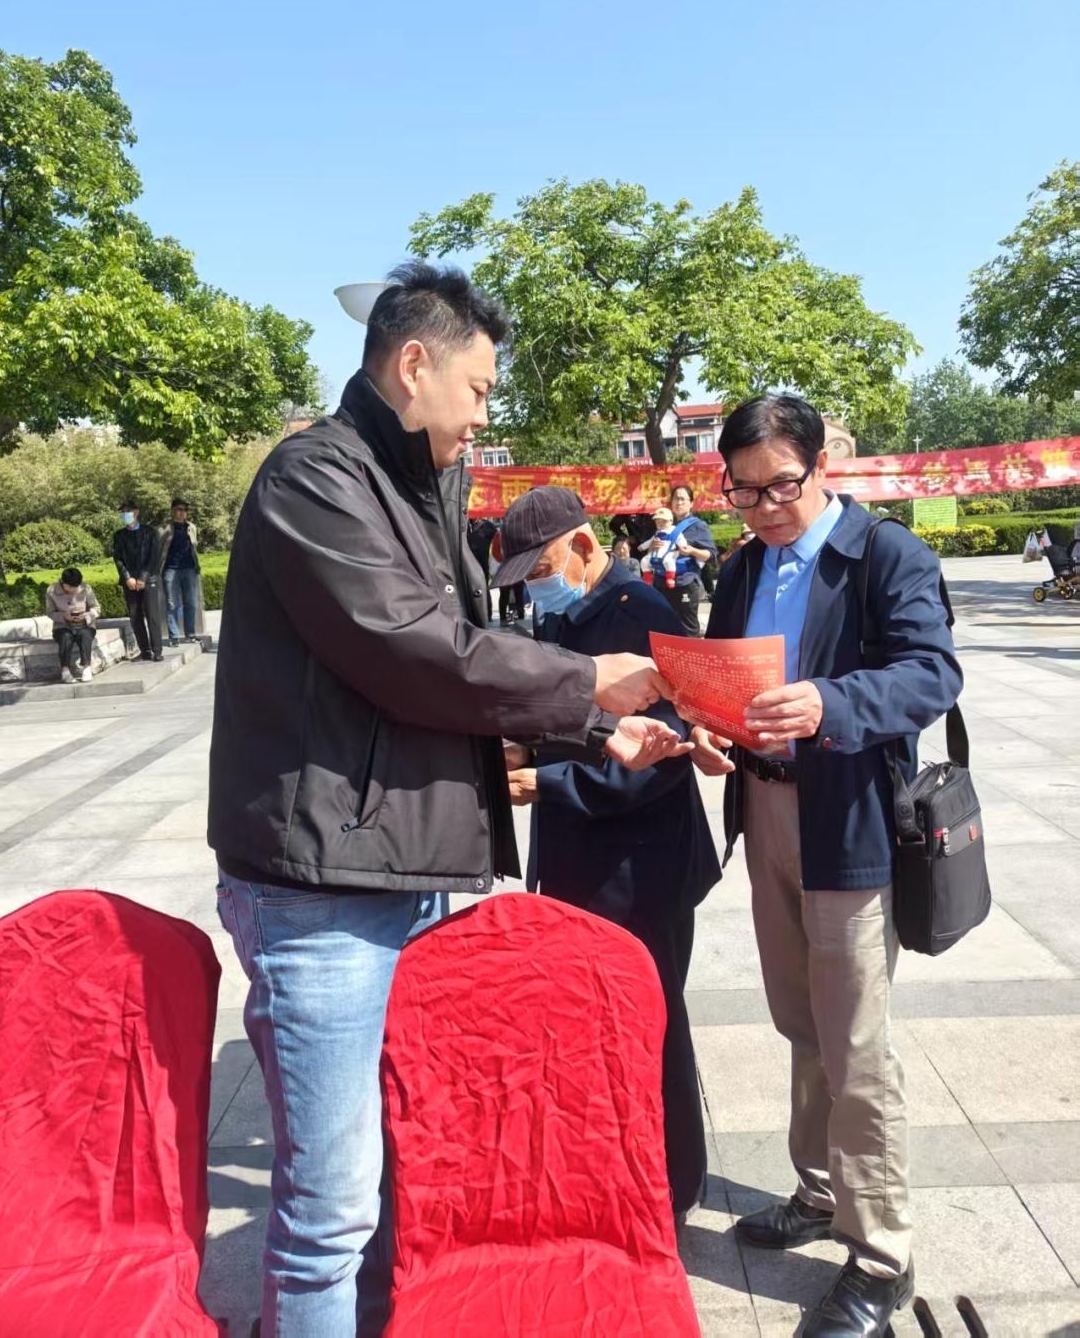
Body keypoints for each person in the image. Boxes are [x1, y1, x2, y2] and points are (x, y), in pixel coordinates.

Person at [207, 261, 681, 1338]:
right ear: (413, 364)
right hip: (322, 890)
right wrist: (585, 681)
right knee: (329, 1208)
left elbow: (463, 659)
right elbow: (413, 650)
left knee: (401, 1172)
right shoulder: (315, 478)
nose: (483, 415)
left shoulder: (416, 489)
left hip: (399, 865)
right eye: (477, 388)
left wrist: (600, 726)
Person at [687, 394, 962, 1338]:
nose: (763, 507)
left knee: (855, 1042)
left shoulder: (884, 554)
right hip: (765, 806)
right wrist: (709, 729)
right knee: (800, 1018)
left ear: (819, 466)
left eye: (779, 486)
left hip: (848, 818)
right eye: (742, 490)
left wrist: (829, 703)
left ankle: (881, 1255)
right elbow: (722, 675)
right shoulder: (741, 565)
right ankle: (816, 1191)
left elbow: (931, 673)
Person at [492, 485, 729, 1218]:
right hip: (581, 857)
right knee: (592, 1029)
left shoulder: (639, 614)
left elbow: (660, 756)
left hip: (638, 866)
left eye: (542, 570)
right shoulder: (566, 613)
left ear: (585, 547)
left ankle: (670, 1187)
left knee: (651, 1025)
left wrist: (544, 781)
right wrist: (524, 747)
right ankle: (608, 1173)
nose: (537, 588)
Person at [647, 483, 716, 636]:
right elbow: (651, 553)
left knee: (687, 630)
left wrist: (692, 550)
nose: (679, 503)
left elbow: (711, 555)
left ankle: (690, 652)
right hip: (661, 582)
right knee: (663, 626)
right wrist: (652, 547)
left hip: (684, 583)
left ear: (691, 503)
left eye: (683, 499)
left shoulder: (698, 526)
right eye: (675, 499)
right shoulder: (663, 523)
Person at [113, 500, 163, 662]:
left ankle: (157, 650)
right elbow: (118, 559)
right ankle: (145, 651)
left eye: (127, 511)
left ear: (136, 512)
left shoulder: (149, 532)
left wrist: (143, 577)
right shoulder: (119, 536)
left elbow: (154, 556)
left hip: (149, 579)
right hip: (130, 582)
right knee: (135, 616)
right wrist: (127, 577)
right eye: (122, 512)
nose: (124, 515)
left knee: (152, 615)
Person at [157, 499, 204, 646]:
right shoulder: (163, 529)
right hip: (171, 569)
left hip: (189, 568)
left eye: (185, 510)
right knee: (172, 604)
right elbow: (158, 550)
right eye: (179, 509)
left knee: (190, 603)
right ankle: (174, 637)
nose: (182, 512)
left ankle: (190, 634)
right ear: (172, 510)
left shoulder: (191, 527)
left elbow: (194, 548)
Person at [45, 567, 100, 684]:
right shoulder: (51, 591)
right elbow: (50, 612)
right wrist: (64, 617)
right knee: (65, 637)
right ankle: (65, 671)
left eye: (74, 587)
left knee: (85, 635)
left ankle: (87, 668)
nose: (72, 590)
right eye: (69, 587)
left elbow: (96, 608)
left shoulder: (86, 588)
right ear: (63, 582)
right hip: (62, 626)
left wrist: (86, 616)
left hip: (84, 624)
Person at [638, 506, 681, 587]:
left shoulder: (675, 532)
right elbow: (650, 541)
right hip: (656, 553)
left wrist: (683, 546)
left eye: (664, 521)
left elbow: (681, 540)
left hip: (670, 552)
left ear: (671, 521)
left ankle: (670, 578)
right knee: (644, 560)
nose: (661, 524)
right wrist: (643, 546)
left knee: (668, 561)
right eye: (658, 522)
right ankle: (647, 578)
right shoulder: (657, 533)